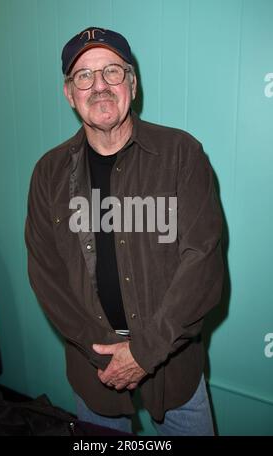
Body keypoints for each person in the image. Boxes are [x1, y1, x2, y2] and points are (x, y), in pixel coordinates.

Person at [25, 26, 224, 436]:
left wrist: (144, 351)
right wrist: (109, 358)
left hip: (175, 367)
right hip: (92, 368)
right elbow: (47, 277)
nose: (99, 86)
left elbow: (202, 261)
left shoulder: (182, 154)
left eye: (112, 72)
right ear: (69, 93)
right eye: (84, 76)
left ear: (132, 83)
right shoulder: (48, 172)